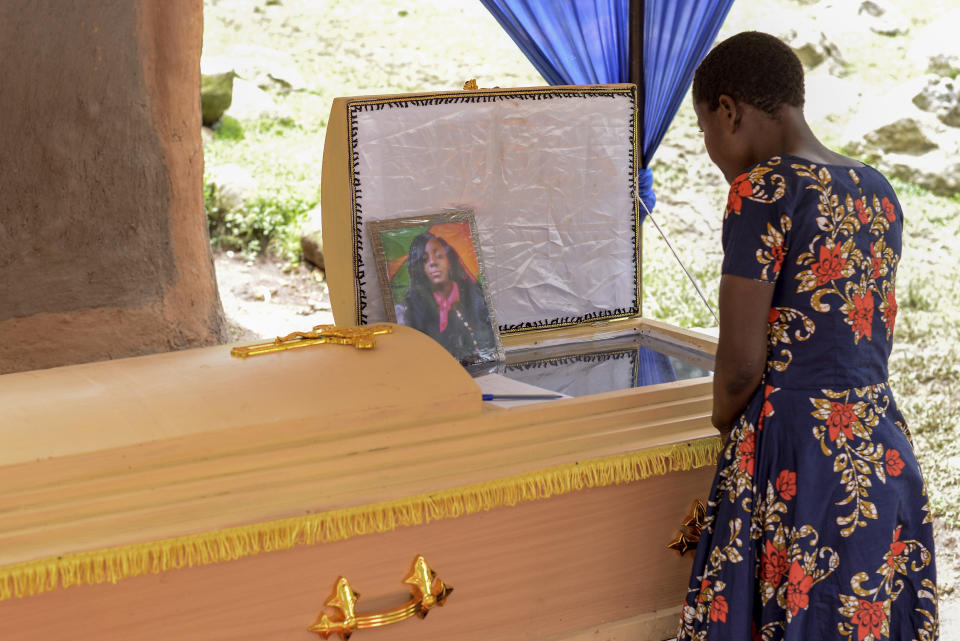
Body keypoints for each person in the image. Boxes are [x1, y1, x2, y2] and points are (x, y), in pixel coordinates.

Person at [677, 32, 938, 639]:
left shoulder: (763, 191)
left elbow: (742, 365)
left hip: (793, 453)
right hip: (878, 447)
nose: (711, 148)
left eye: (703, 131)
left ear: (728, 110)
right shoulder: (877, 189)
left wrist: (725, 422)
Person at [402, 231, 497, 367]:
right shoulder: (415, 306)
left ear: (449, 261)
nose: (433, 263)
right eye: (424, 260)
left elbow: (487, 342)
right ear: (419, 269)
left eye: (439, 255)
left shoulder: (473, 294)